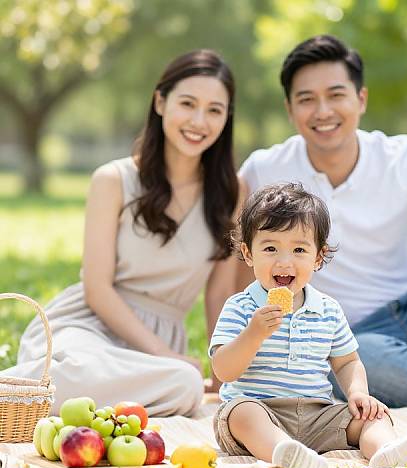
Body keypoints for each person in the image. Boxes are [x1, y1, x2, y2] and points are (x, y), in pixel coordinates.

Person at [238, 35, 407, 407]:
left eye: (336, 95)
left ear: (360, 99)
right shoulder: (264, 169)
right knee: (362, 353)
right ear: (289, 109)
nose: (323, 111)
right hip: (345, 345)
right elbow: (237, 261)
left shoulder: (402, 159)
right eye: (307, 99)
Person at [1, 49, 241, 416]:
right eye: (187, 103)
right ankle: (34, 390)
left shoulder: (232, 192)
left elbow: (221, 294)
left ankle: (43, 399)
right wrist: (162, 354)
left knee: (185, 383)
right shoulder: (113, 179)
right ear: (160, 102)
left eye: (214, 110)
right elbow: (97, 289)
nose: (198, 120)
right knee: (78, 367)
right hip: (87, 327)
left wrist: (223, 374)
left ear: (227, 117)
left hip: (156, 349)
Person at [210, 183, 407, 468]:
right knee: (240, 413)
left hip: (316, 414)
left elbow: (347, 362)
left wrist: (358, 394)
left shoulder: (328, 309)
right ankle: (284, 452)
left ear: (318, 258)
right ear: (248, 253)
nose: (284, 261)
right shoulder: (241, 307)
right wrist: (253, 335)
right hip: (259, 409)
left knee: (372, 415)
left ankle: (388, 451)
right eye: (270, 248)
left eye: (299, 249)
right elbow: (223, 370)